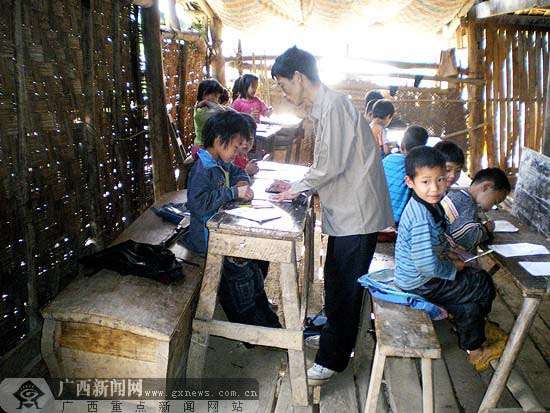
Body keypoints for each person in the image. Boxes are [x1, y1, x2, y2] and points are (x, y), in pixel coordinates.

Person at [269, 46, 393, 384]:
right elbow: (328, 161)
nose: (285, 92)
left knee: (344, 286)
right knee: (338, 278)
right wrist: (297, 183)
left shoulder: (333, 105)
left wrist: (296, 187)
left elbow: (330, 165)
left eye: (284, 84)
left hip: (358, 211)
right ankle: (332, 335)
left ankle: (333, 360)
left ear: (298, 77)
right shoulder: (324, 107)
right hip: (349, 210)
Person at [395, 146, 503, 371]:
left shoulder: (429, 205)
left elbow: (437, 240)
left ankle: (475, 344)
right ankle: (476, 341)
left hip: (419, 278)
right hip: (421, 282)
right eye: (426, 182)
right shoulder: (420, 216)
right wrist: (452, 267)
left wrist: (449, 252)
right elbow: (426, 264)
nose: (434, 188)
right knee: (482, 284)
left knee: (470, 300)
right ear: (410, 182)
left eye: (440, 180)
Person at [182, 111, 280, 330]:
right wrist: (233, 192)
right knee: (240, 270)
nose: (238, 153)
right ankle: (250, 326)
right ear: (219, 141)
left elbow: (237, 171)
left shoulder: (221, 162)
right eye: (236, 147)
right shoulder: (203, 169)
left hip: (220, 232)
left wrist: (243, 182)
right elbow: (199, 205)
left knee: (255, 262)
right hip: (206, 241)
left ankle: (263, 316)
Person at [441, 168, 511, 253]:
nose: (493, 206)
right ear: (486, 187)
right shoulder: (467, 205)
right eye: (495, 201)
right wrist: (486, 229)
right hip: (448, 256)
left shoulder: (457, 195)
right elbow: (467, 238)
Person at [383, 125, 429, 225]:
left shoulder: (388, 160)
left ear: (402, 146)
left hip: (381, 218)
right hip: (400, 222)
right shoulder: (421, 169)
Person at [193, 79, 226, 148]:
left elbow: (231, 112)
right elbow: (223, 112)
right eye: (215, 96)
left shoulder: (208, 107)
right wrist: (208, 102)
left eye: (217, 97)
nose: (216, 100)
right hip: (201, 147)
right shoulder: (201, 110)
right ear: (205, 94)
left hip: (208, 146)